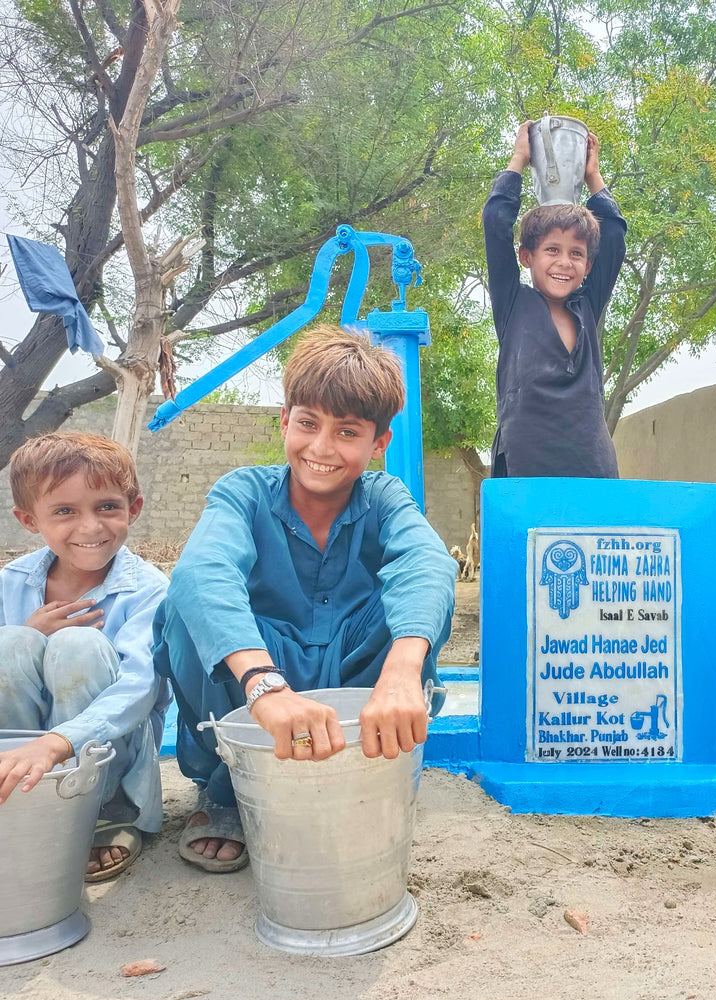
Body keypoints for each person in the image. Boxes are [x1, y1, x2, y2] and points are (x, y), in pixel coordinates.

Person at [154, 326, 456, 872]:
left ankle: (363, 772)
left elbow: (426, 564)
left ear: (379, 442)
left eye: (347, 431)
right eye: (308, 423)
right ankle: (227, 789)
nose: (321, 448)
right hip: (261, 671)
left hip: (351, 670)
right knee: (183, 606)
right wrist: (264, 685)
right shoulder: (243, 491)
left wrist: (401, 672)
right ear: (285, 420)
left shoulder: (385, 497)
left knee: (414, 607)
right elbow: (204, 572)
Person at [0, 433, 170, 881]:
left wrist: (60, 742)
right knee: (9, 643)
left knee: (79, 645)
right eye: (64, 511)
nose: (90, 527)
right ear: (28, 519)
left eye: (107, 507)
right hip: (27, 755)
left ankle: (103, 813)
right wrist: (26, 633)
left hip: (108, 756)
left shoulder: (147, 589)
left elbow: (139, 687)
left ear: (132, 508)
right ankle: (20, 794)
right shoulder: (12, 582)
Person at [482, 120, 627, 478]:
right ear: (526, 257)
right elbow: (495, 223)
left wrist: (593, 176)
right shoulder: (513, 303)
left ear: (588, 265)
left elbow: (614, 239)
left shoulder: (587, 306)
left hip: (590, 469)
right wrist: (518, 160)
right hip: (523, 470)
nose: (564, 262)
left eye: (576, 254)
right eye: (552, 250)